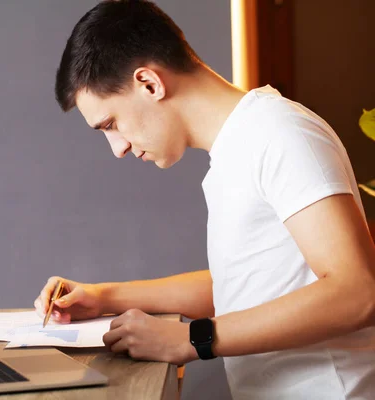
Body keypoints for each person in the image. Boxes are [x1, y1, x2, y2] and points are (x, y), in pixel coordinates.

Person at [32, 1, 375, 399]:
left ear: (149, 83)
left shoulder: (282, 134)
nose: (118, 148)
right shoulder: (235, 151)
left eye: (111, 124)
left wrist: (192, 339)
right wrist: (103, 296)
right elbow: (242, 287)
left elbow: (359, 292)